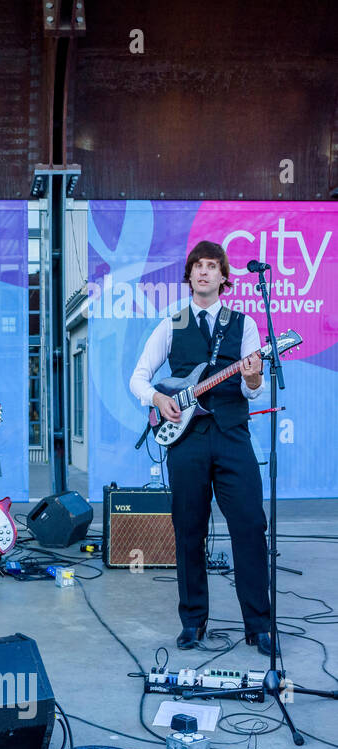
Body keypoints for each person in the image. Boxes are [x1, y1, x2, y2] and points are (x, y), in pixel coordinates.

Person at [129, 240, 271, 655]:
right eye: (198, 266)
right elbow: (139, 377)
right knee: (188, 530)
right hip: (187, 440)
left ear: (225, 277)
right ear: (189, 276)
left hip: (232, 435)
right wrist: (158, 399)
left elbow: (254, 393)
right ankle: (193, 622)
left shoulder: (244, 325)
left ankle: (258, 626)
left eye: (213, 266)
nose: (205, 272)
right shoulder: (170, 324)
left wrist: (255, 378)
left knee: (249, 526)